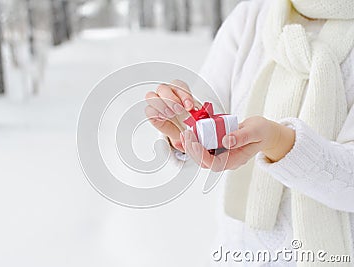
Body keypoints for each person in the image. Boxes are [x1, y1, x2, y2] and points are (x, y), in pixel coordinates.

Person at [144, 0, 354, 266]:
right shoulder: (252, 15)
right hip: (238, 252)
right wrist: (183, 125)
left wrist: (280, 143)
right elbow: (206, 108)